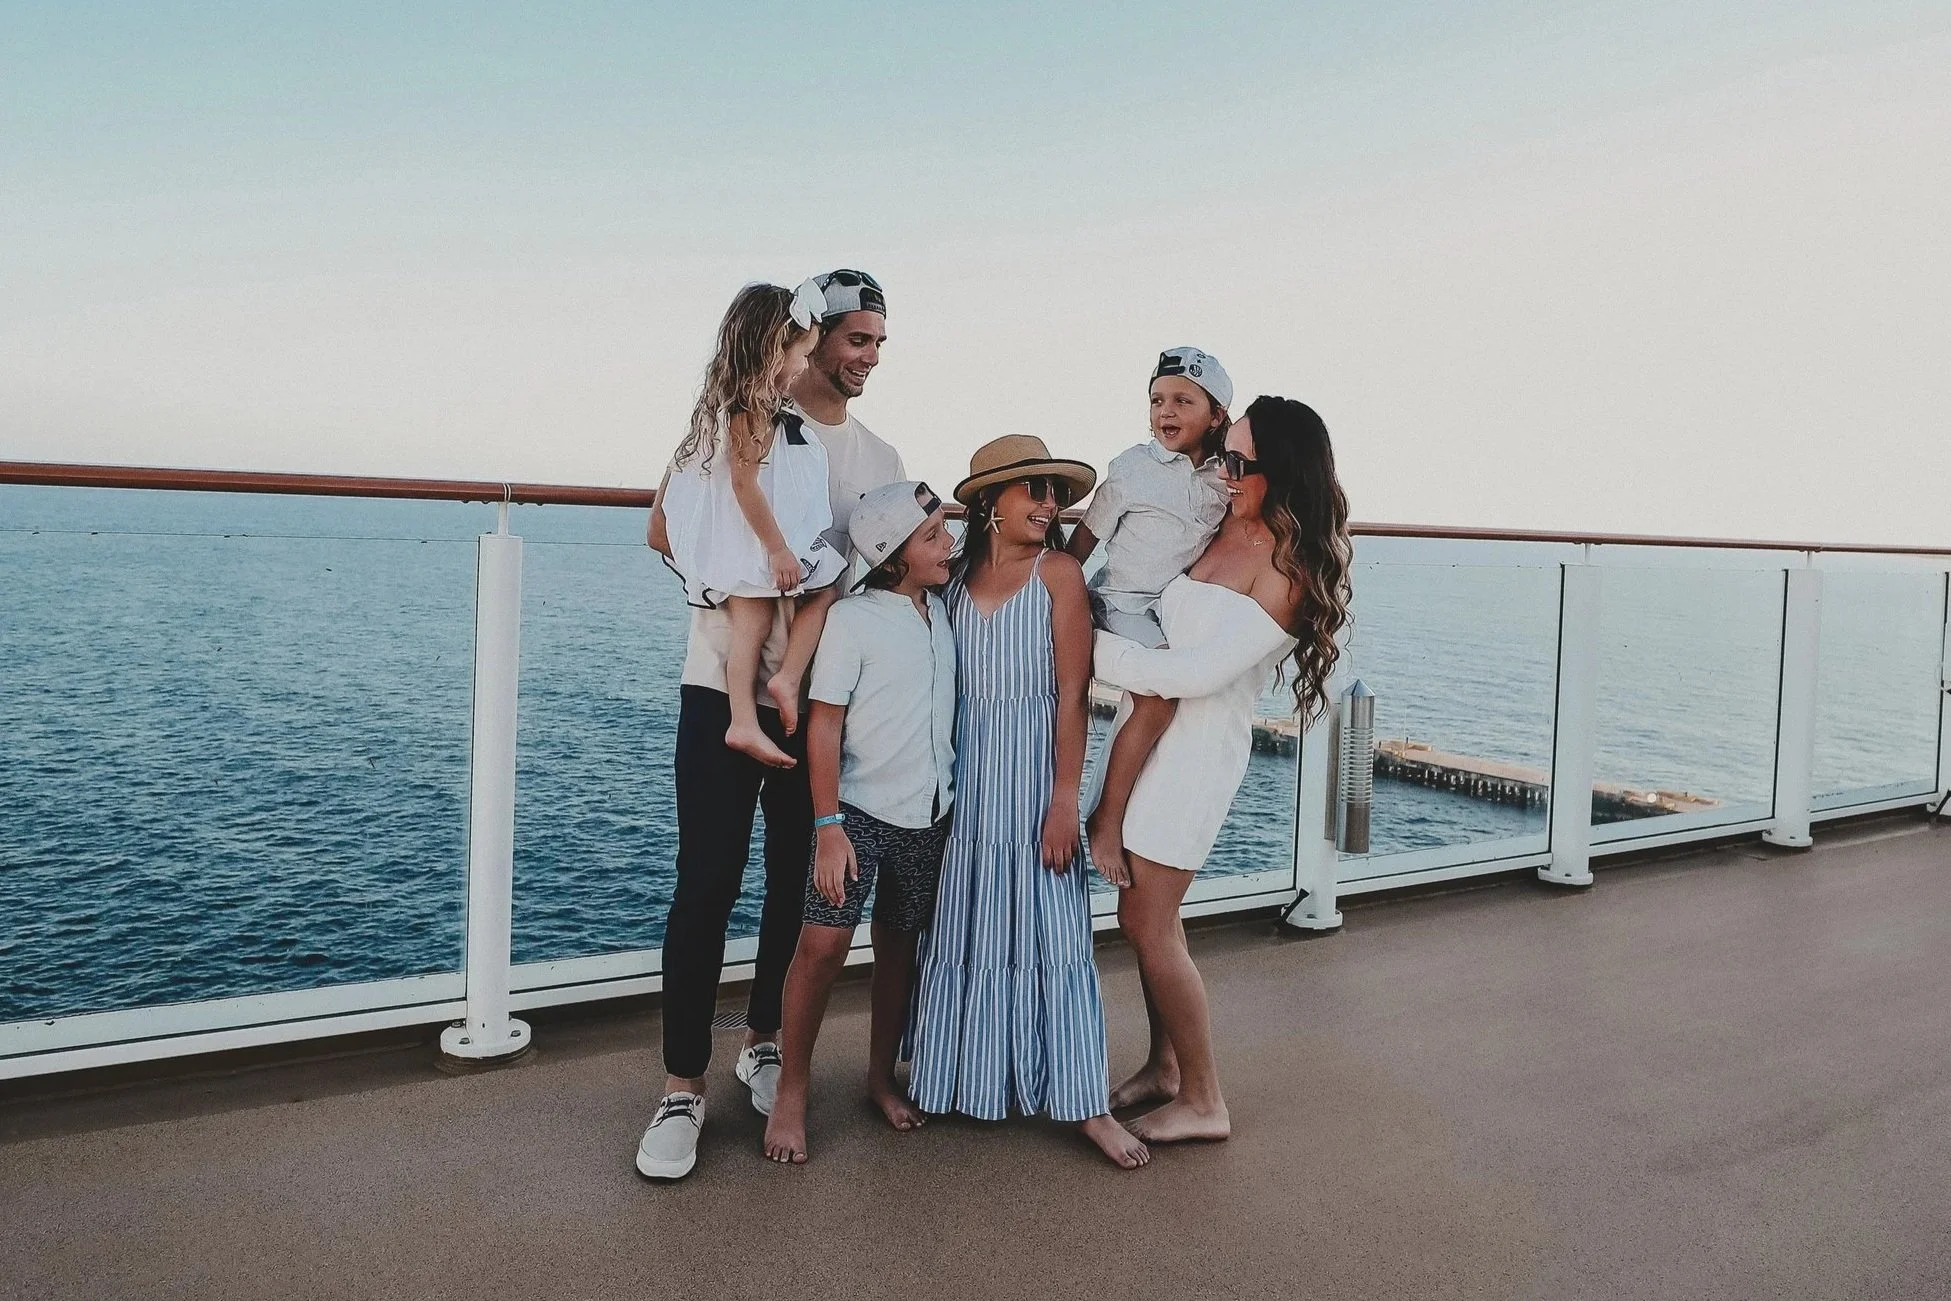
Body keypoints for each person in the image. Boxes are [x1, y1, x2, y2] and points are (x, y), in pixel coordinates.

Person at [637, 270, 902, 1183]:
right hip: (718, 681)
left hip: (817, 694)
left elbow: (879, 572)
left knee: (796, 881)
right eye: (853, 339)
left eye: (878, 343)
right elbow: (667, 526)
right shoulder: (729, 421)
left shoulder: (876, 454)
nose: (865, 358)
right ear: (808, 335)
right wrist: (733, 584)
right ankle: (680, 1087)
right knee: (705, 880)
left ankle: (761, 1043)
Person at [1091, 396, 1352, 1142]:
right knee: (1146, 915)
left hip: (1197, 756)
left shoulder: (1287, 569)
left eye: (1239, 462)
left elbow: (1198, 673)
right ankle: (1164, 1067)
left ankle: (1205, 1099)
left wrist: (1082, 649)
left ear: (1284, 470)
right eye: (1223, 455)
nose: (1223, 471)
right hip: (1151, 737)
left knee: (1146, 919)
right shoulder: (1223, 522)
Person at [904, 436, 1151, 1171]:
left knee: (1053, 936)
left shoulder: (1060, 575)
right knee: (965, 926)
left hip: (1034, 782)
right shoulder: (947, 583)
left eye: (1054, 493)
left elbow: (1072, 695)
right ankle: (955, 1073)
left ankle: (1085, 1103)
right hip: (963, 787)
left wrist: (1065, 800)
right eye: (1033, 492)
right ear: (987, 503)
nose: (1050, 505)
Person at [762, 482, 958, 1165]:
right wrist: (826, 825)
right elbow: (823, 726)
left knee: (899, 948)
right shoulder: (851, 619)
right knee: (820, 947)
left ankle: (879, 1077)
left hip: (928, 819)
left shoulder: (944, 612)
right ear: (891, 555)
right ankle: (791, 1088)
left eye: (945, 531)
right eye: (931, 536)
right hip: (856, 819)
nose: (948, 544)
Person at [659, 278, 849, 770]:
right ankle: (756, 707)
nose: (805, 365)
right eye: (802, 354)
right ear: (772, 351)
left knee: (758, 622)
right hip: (752, 546)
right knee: (809, 595)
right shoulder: (750, 414)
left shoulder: (735, 410)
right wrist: (779, 549)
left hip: (746, 545)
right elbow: (745, 486)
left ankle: (764, 697)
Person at [1067, 347, 1233, 886]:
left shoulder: (1223, 478)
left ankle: (1120, 812)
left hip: (1170, 613)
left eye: (1184, 401)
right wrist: (1058, 602)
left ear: (1217, 415)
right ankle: (1105, 821)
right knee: (1160, 698)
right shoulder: (1133, 467)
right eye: (1158, 400)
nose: (1167, 411)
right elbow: (1086, 538)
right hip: (1119, 605)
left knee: (1169, 702)